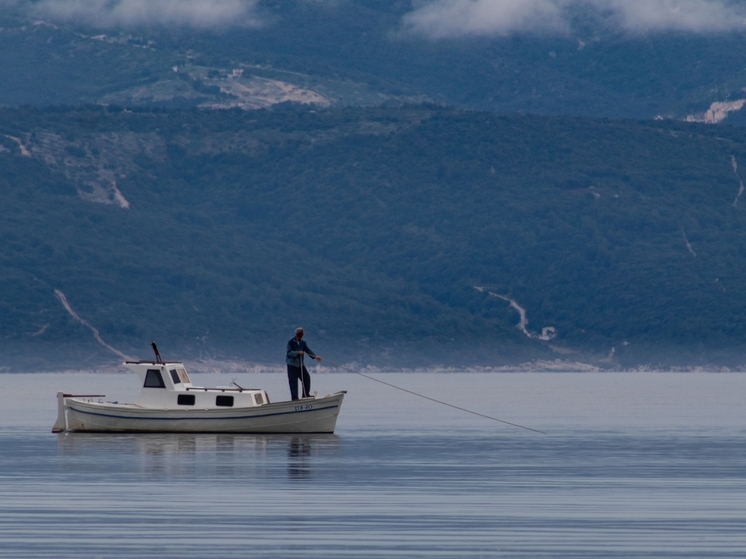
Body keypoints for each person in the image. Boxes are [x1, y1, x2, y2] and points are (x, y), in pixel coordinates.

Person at [286, 327, 321, 400]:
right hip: (292, 365)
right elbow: (289, 352)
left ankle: (305, 395)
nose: (303, 335)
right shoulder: (291, 341)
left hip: (300, 365)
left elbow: (308, 350)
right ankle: (295, 398)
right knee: (293, 383)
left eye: (302, 333)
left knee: (306, 378)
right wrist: (297, 352)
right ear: (297, 334)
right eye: (301, 333)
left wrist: (315, 356)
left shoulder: (303, 343)